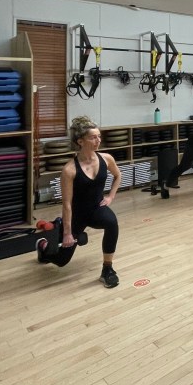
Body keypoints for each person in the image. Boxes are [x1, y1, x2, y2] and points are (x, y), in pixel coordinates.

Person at [37, 116, 122, 288]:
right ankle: (43, 246)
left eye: (99, 136)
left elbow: (118, 175)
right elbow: (67, 204)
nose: (98, 140)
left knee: (112, 223)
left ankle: (108, 269)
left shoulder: (106, 159)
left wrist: (110, 196)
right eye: (93, 137)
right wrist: (68, 233)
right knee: (61, 261)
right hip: (77, 214)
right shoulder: (69, 170)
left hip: (97, 209)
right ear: (80, 141)